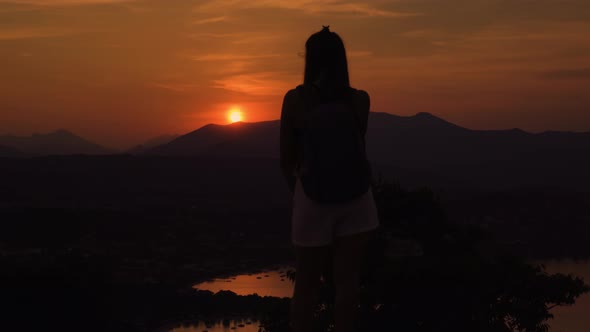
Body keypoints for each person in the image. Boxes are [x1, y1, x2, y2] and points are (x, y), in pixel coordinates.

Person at [280, 26, 379, 332]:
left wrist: (299, 195)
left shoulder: (296, 100)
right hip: (358, 199)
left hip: (312, 198)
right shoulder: (360, 100)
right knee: (348, 286)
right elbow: (357, 147)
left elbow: (286, 158)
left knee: (306, 288)